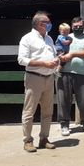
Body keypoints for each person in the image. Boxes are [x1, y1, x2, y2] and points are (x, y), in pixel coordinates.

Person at [17, 11, 59, 153]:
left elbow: (52, 54)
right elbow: (22, 60)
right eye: (47, 22)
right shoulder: (27, 39)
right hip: (34, 78)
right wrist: (44, 64)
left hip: (49, 78)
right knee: (29, 111)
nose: (49, 24)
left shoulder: (49, 39)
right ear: (40, 24)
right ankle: (27, 140)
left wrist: (56, 60)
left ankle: (44, 138)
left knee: (48, 111)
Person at [56, 17, 84, 136]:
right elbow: (57, 47)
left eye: (80, 26)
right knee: (63, 100)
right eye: (75, 26)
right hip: (64, 73)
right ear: (72, 27)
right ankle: (64, 125)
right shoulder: (66, 36)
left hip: (83, 74)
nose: (78, 28)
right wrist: (60, 56)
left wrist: (72, 54)